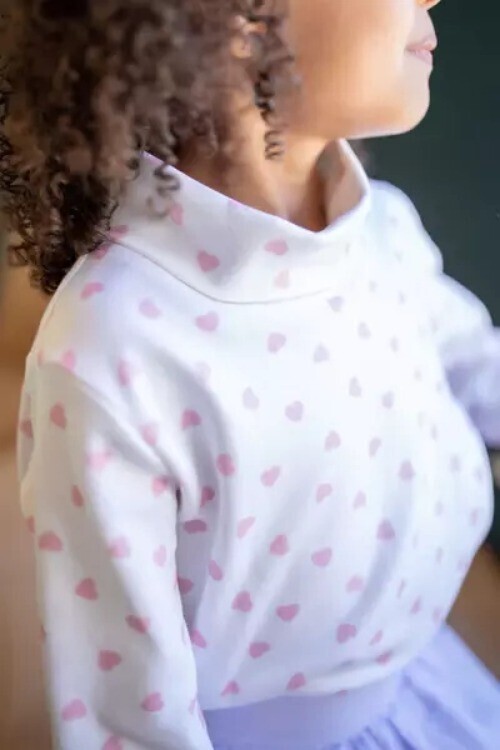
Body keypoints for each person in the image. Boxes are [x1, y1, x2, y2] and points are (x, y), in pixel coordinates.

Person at [1, 1, 499, 748]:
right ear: (241, 17)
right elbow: (127, 716)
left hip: (440, 695)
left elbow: (478, 369)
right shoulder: (112, 349)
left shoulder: (382, 231)